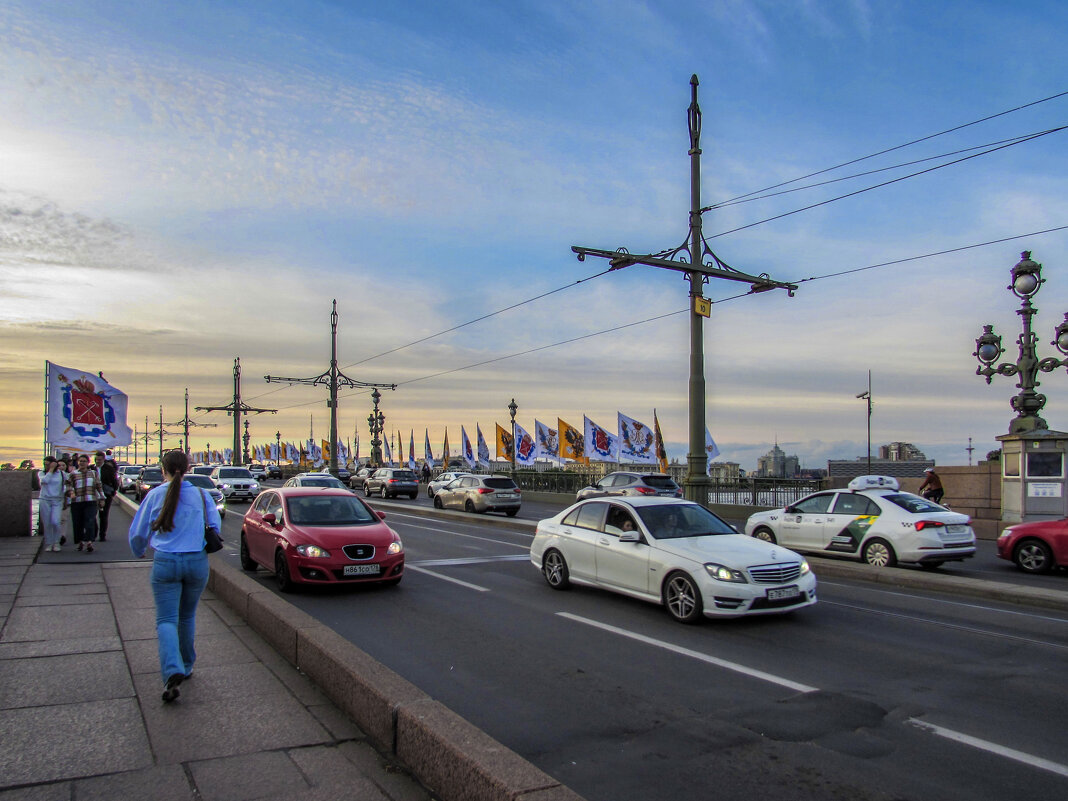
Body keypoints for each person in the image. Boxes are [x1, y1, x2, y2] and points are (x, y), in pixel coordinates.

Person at [129, 449, 220, 703]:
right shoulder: (202, 495)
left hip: (166, 562)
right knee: (187, 615)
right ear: (189, 467)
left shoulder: (155, 494)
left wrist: (138, 552)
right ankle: (187, 665)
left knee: (167, 619)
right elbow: (215, 527)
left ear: (163, 469)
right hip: (196, 562)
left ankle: (172, 668)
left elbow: (138, 532)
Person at [66, 454, 104, 552]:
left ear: (88, 463)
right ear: (78, 462)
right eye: (80, 461)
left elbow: (99, 486)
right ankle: (80, 541)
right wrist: (71, 492)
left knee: (90, 520)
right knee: (78, 523)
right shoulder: (73, 474)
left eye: (84, 461)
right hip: (77, 501)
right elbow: (68, 486)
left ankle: (89, 542)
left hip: (90, 500)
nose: (82, 463)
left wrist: (102, 498)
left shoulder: (94, 473)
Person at [38, 456, 66, 551]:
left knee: (55, 521)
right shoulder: (42, 473)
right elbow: (44, 481)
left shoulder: (61, 474)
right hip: (45, 499)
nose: (45, 466)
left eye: (47, 464)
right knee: (47, 523)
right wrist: (50, 470)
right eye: (44, 464)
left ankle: (57, 542)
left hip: (57, 500)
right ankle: (49, 543)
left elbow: (66, 485)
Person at [94, 450, 119, 541]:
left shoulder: (109, 469)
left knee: (103, 515)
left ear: (103, 459)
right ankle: (94, 532)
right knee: (92, 514)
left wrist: (113, 491)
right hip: (93, 494)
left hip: (106, 494)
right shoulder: (92, 468)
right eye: (96, 459)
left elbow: (114, 481)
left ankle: (102, 535)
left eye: (99, 460)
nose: (97, 461)